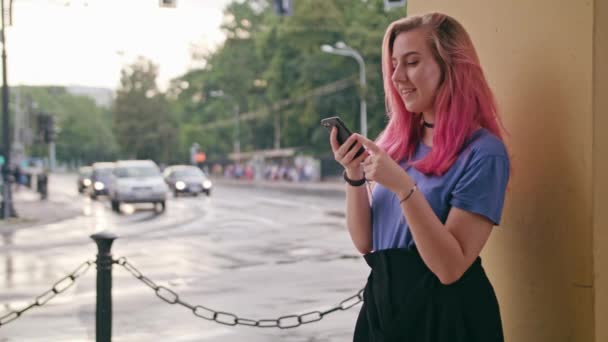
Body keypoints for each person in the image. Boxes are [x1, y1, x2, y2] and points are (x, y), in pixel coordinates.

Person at [330, 13, 510, 342]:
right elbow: (366, 243)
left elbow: (449, 268)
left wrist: (402, 186)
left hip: (448, 316)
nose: (397, 77)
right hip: (384, 309)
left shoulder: (484, 153)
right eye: (394, 64)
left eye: (412, 62)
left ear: (451, 67)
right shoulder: (397, 146)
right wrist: (354, 175)